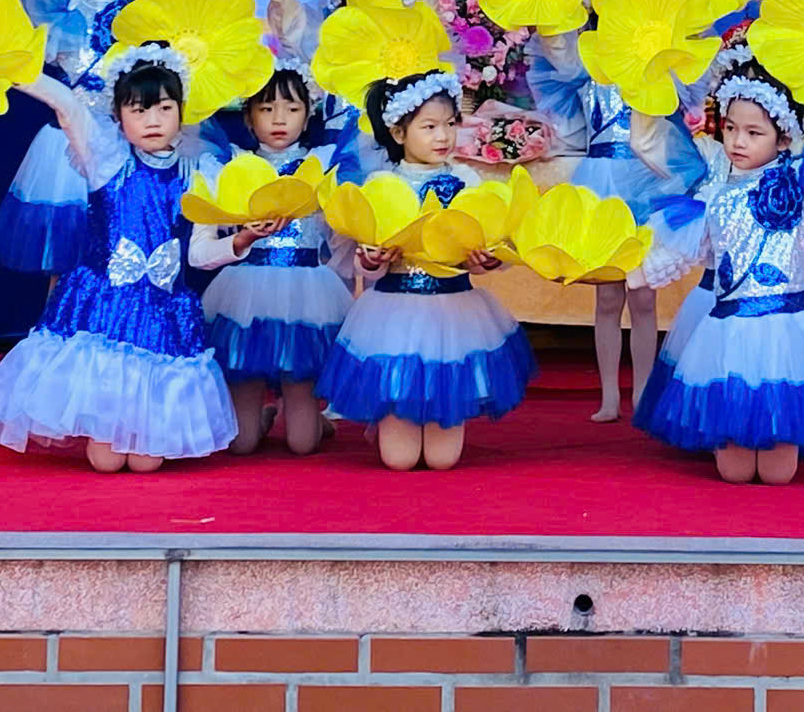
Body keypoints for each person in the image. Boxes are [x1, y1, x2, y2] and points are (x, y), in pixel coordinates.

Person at [0, 45, 240, 471]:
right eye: (139, 110)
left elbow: (200, 253)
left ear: (181, 112)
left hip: (161, 314)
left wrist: (240, 241)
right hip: (105, 309)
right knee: (106, 461)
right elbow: (66, 105)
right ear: (118, 116)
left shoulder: (198, 174)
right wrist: (7, 66)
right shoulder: (107, 160)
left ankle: (144, 427)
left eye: (164, 108)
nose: (152, 120)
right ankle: (108, 426)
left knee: (147, 464)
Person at [634, 53, 804, 485]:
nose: (738, 141)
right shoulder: (713, 196)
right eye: (731, 128)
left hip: (789, 330)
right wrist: (631, 268)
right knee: (733, 472)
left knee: (778, 473)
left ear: (782, 139)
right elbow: (674, 247)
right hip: (727, 332)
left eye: (753, 132)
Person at [316, 67, 536, 472]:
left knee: (441, 460)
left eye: (450, 124)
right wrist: (372, 260)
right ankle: (386, 422)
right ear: (399, 132)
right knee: (399, 461)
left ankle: (425, 423)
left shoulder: (467, 180)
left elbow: (495, 244)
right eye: (429, 126)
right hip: (393, 313)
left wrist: (488, 261)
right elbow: (363, 261)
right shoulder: (381, 184)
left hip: (455, 313)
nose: (443, 136)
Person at [0, 0, 185, 274]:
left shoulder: (143, 14)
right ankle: (58, 314)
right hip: (67, 147)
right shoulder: (62, 14)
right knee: (63, 256)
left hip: (124, 147)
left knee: (119, 247)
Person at [525, 26, 708, 421]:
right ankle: (609, 395)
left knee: (643, 297)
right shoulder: (586, 67)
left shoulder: (653, 72)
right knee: (607, 297)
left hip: (646, 183)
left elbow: (681, 94)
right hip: (601, 185)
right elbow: (558, 54)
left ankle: (642, 392)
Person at [192, 64, 367, 456]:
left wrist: (355, 262)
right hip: (244, 295)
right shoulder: (232, 165)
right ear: (248, 117)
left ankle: (312, 420)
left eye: (291, 108)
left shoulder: (322, 164)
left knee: (302, 444)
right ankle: (263, 414)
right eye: (266, 108)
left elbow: (342, 234)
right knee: (241, 445)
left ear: (308, 115)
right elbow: (204, 242)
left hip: (307, 292)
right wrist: (242, 236)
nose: (279, 119)